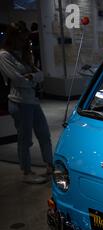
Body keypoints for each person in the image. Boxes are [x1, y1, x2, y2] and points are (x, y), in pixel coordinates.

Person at [0, 22, 53, 184]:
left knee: (44, 134)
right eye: (21, 37)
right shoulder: (4, 55)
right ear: (13, 37)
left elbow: (40, 74)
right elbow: (17, 79)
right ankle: (26, 171)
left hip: (32, 101)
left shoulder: (23, 54)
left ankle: (50, 165)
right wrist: (31, 78)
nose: (23, 41)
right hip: (19, 103)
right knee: (25, 139)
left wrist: (31, 77)